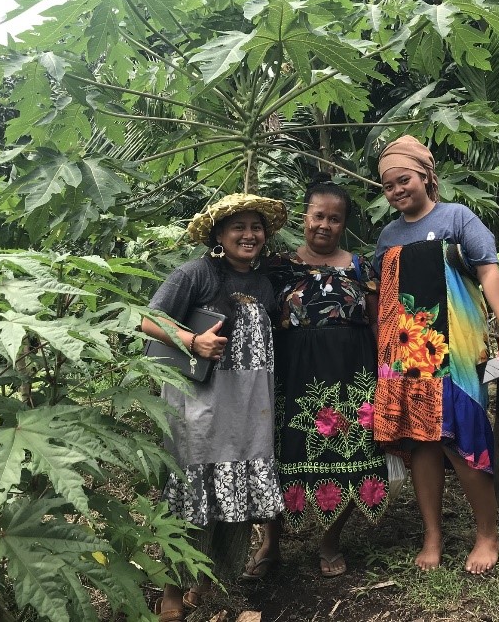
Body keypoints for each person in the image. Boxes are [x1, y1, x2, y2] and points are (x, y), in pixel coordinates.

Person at [373, 135, 499, 575]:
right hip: (405, 354)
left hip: (454, 349)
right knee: (421, 445)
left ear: (426, 177)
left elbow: (488, 270)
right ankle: (432, 534)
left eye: (405, 180)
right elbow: (382, 294)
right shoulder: (388, 234)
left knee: (464, 439)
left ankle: (487, 533)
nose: (398, 190)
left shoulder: (457, 217)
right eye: (389, 186)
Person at [141, 193, 288, 621]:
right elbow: (148, 318)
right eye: (238, 227)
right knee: (193, 494)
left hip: (248, 409)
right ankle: (170, 592)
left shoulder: (263, 284)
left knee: (232, 493)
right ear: (218, 235)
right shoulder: (195, 273)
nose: (249, 235)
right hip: (200, 404)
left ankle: (205, 582)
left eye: (256, 227)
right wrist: (192, 341)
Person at [243, 178, 389, 580]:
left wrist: (385, 374)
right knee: (281, 451)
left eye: (335, 218)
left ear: (344, 223)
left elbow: (377, 322)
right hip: (291, 373)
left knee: (349, 452)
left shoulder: (362, 266)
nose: (324, 225)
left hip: (350, 372)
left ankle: (330, 541)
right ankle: (270, 544)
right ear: (305, 216)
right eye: (318, 216)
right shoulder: (274, 267)